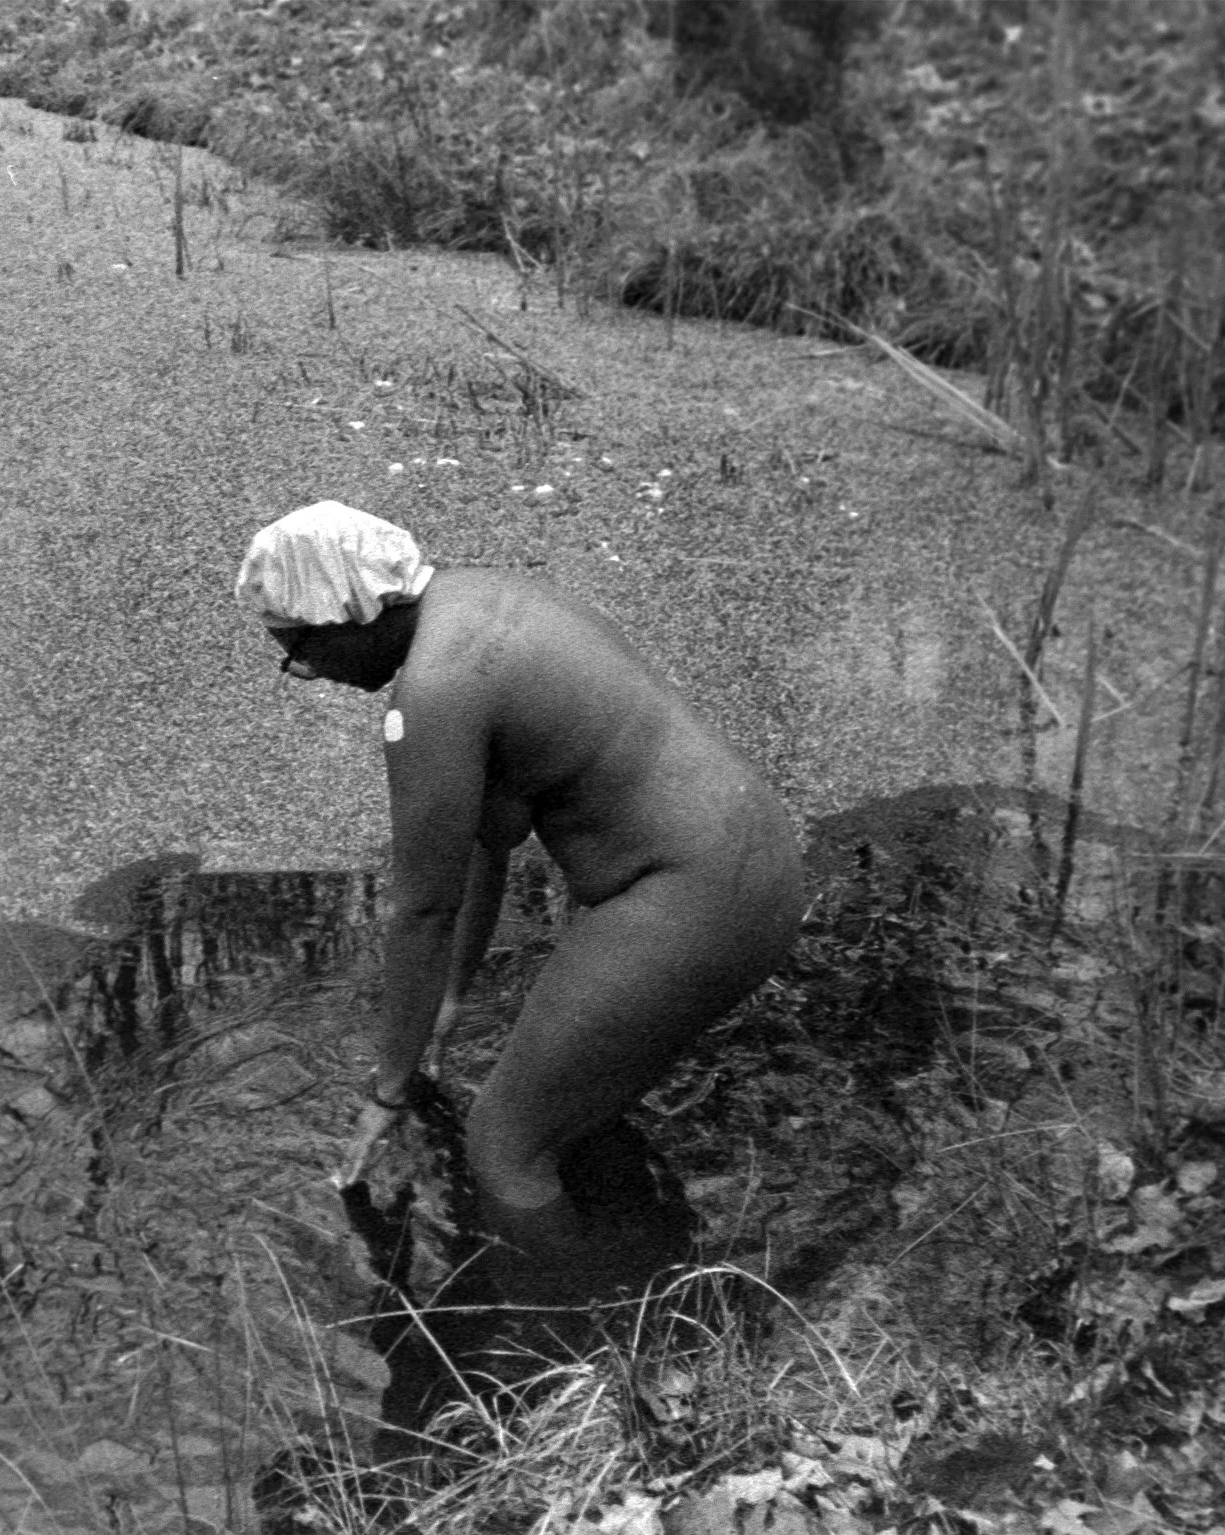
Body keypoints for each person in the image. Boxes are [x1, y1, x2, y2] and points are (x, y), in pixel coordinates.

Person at [237, 501, 802, 1306]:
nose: (306, 672)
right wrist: (449, 1005)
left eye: (296, 648)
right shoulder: (482, 602)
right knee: (568, 1116)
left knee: (502, 1146)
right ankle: (650, 1277)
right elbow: (482, 847)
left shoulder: (432, 692)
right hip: (759, 861)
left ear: (347, 614)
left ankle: (579, 1340)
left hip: (689, 896)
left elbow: (422, 908)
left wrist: (387, 1090)